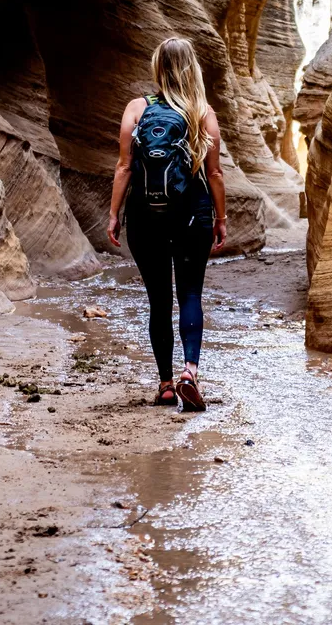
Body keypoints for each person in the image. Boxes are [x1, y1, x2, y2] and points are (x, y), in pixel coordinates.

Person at [107, 38, 227, 411]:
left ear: (158, 69)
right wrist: (220, 218)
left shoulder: (137, 109)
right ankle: (190, 372)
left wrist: (113, 214)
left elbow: (124, 166)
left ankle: (164, 385)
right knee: (190, 294)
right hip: (193, 214)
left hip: (146, 216)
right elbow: (215, 173)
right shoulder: (201, 112)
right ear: (193, 69)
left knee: (159, 300)